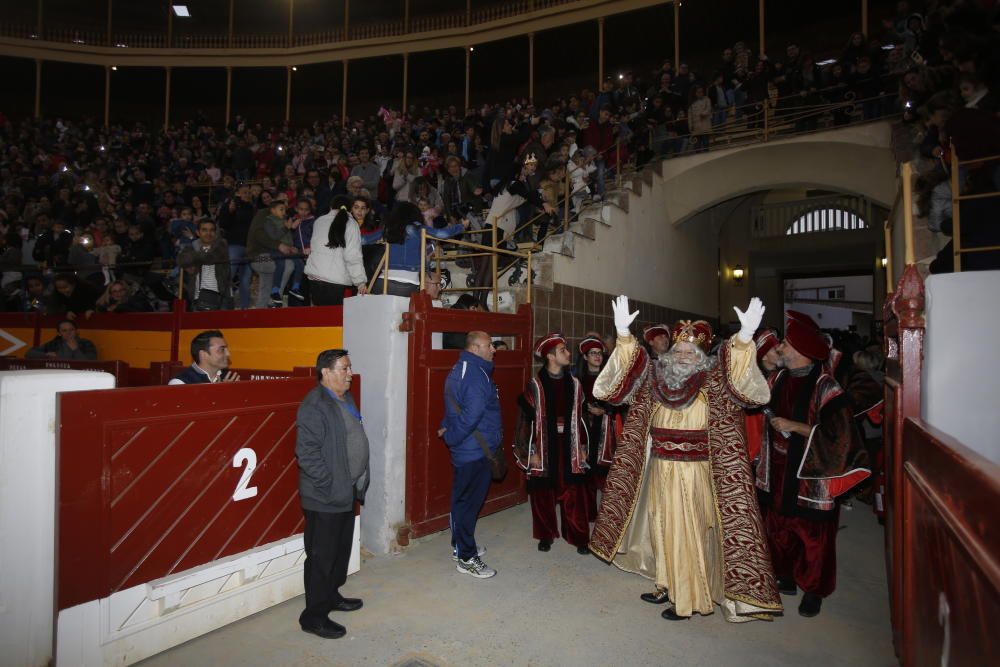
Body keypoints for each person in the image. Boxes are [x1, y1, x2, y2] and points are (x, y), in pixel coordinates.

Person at [588, 296, 781, 623]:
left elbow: (745, 383)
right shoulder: (656, 379)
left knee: (686, 530)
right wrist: (623, 335)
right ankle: (666, 581)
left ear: (702, 357)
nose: (681, 356)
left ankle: (688, 599)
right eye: (677, 351)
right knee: (660, 526)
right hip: (659, 466)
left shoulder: (715, 382)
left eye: (690, 352)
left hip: (696, 472)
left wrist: (745, 339)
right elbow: (617, 386)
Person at [755, 311, 870, 618]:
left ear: (803, 352)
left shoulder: (826, 387)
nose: (780, 349)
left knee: (813, 536)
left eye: (786, 346)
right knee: (779, 527)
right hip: (777, 470)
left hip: (811, 476)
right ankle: (787, 576)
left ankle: (814, 590)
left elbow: (842, 437)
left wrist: (796, 427)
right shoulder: (777, 378)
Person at [295, 349, 370, 639]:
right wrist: (331, 485)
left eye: (350, 367)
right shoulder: (314, 406)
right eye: (344, 368)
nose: (350, 373)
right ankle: (313, 616)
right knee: (321, 558)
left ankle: (332, 597)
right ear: (326, 372)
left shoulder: (344, 398)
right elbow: (307, 454)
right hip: (325, 496)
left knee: (339, 552)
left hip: (345, 491)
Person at [514, 333, 592, 555]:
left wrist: (584, 447)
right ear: (550, 356)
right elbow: (523, 423)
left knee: (574, 492)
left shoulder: (576, 385)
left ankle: (578, 536)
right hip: (544, 447)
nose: (568, 353)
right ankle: (545, 535)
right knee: (543, 495)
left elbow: (583, 418)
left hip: (571, 446)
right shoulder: (535, 387)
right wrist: (529, 452)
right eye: (563, 350)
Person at [439, 331, 502, 579]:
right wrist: (452, 437)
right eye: (489, 345)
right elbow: (470, 415)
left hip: (471, 447)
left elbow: (454, 405)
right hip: (473, 450)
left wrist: (448, 429)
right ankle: (466, 558)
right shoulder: (476, 375)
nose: (493, 349)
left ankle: (461, 547)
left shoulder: (464, 367)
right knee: (467, 504)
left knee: (464, 501)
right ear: (475, 347)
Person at [575, 337, 618, 506]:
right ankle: (589, 508)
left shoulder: (612, 379)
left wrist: (605, 410)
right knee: (588, 470)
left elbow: (621, 403)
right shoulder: (578, 381)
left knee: (607, 472)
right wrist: (585, 409)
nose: (597, 356)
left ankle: (610, 509)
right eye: (593, 353)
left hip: (607, 429)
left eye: (599, 353)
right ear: (585, 357)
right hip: (586, 429)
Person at [304, 202, 369, 306]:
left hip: (314, 276)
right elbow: (352, 256)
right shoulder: (352, 224)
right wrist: (360, 282)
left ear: (330, 207)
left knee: (317, 317)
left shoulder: (319, 221)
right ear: (350, 209)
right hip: (335, 280)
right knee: (331, 318)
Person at [177, 220, 232, 311]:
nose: (208, 233)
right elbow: (181, 260)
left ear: (215, 233)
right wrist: (193, 259)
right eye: (204, 230)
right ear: (198, 232)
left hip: (219, 298)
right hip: (197, 297)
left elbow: (209, 258)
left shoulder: (221, 245)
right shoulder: (192, 247)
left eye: (211, 230)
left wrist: (193, 259)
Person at [168, 330, 240, 384]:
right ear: (203, 355)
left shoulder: (230, 378)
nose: (228, 354)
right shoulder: (180, 382)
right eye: (222, 349)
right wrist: (221, 393)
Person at [26, 319, 98, 360]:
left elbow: (91, 361)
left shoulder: (86, 343)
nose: (68, 333)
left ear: (76, 331)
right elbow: (29, 353)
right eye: (64, 330)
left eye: (71, 330)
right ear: (59, 333)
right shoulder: (53, 344)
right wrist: (46, 355)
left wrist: (75, 350)